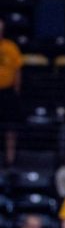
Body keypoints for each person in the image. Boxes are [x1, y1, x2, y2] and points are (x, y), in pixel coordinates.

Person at [0, 17, 22, 166]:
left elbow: (18, 71)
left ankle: (10, 158)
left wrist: (16, 90)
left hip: (7, 92)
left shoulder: (11, 47)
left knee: (10, 128)